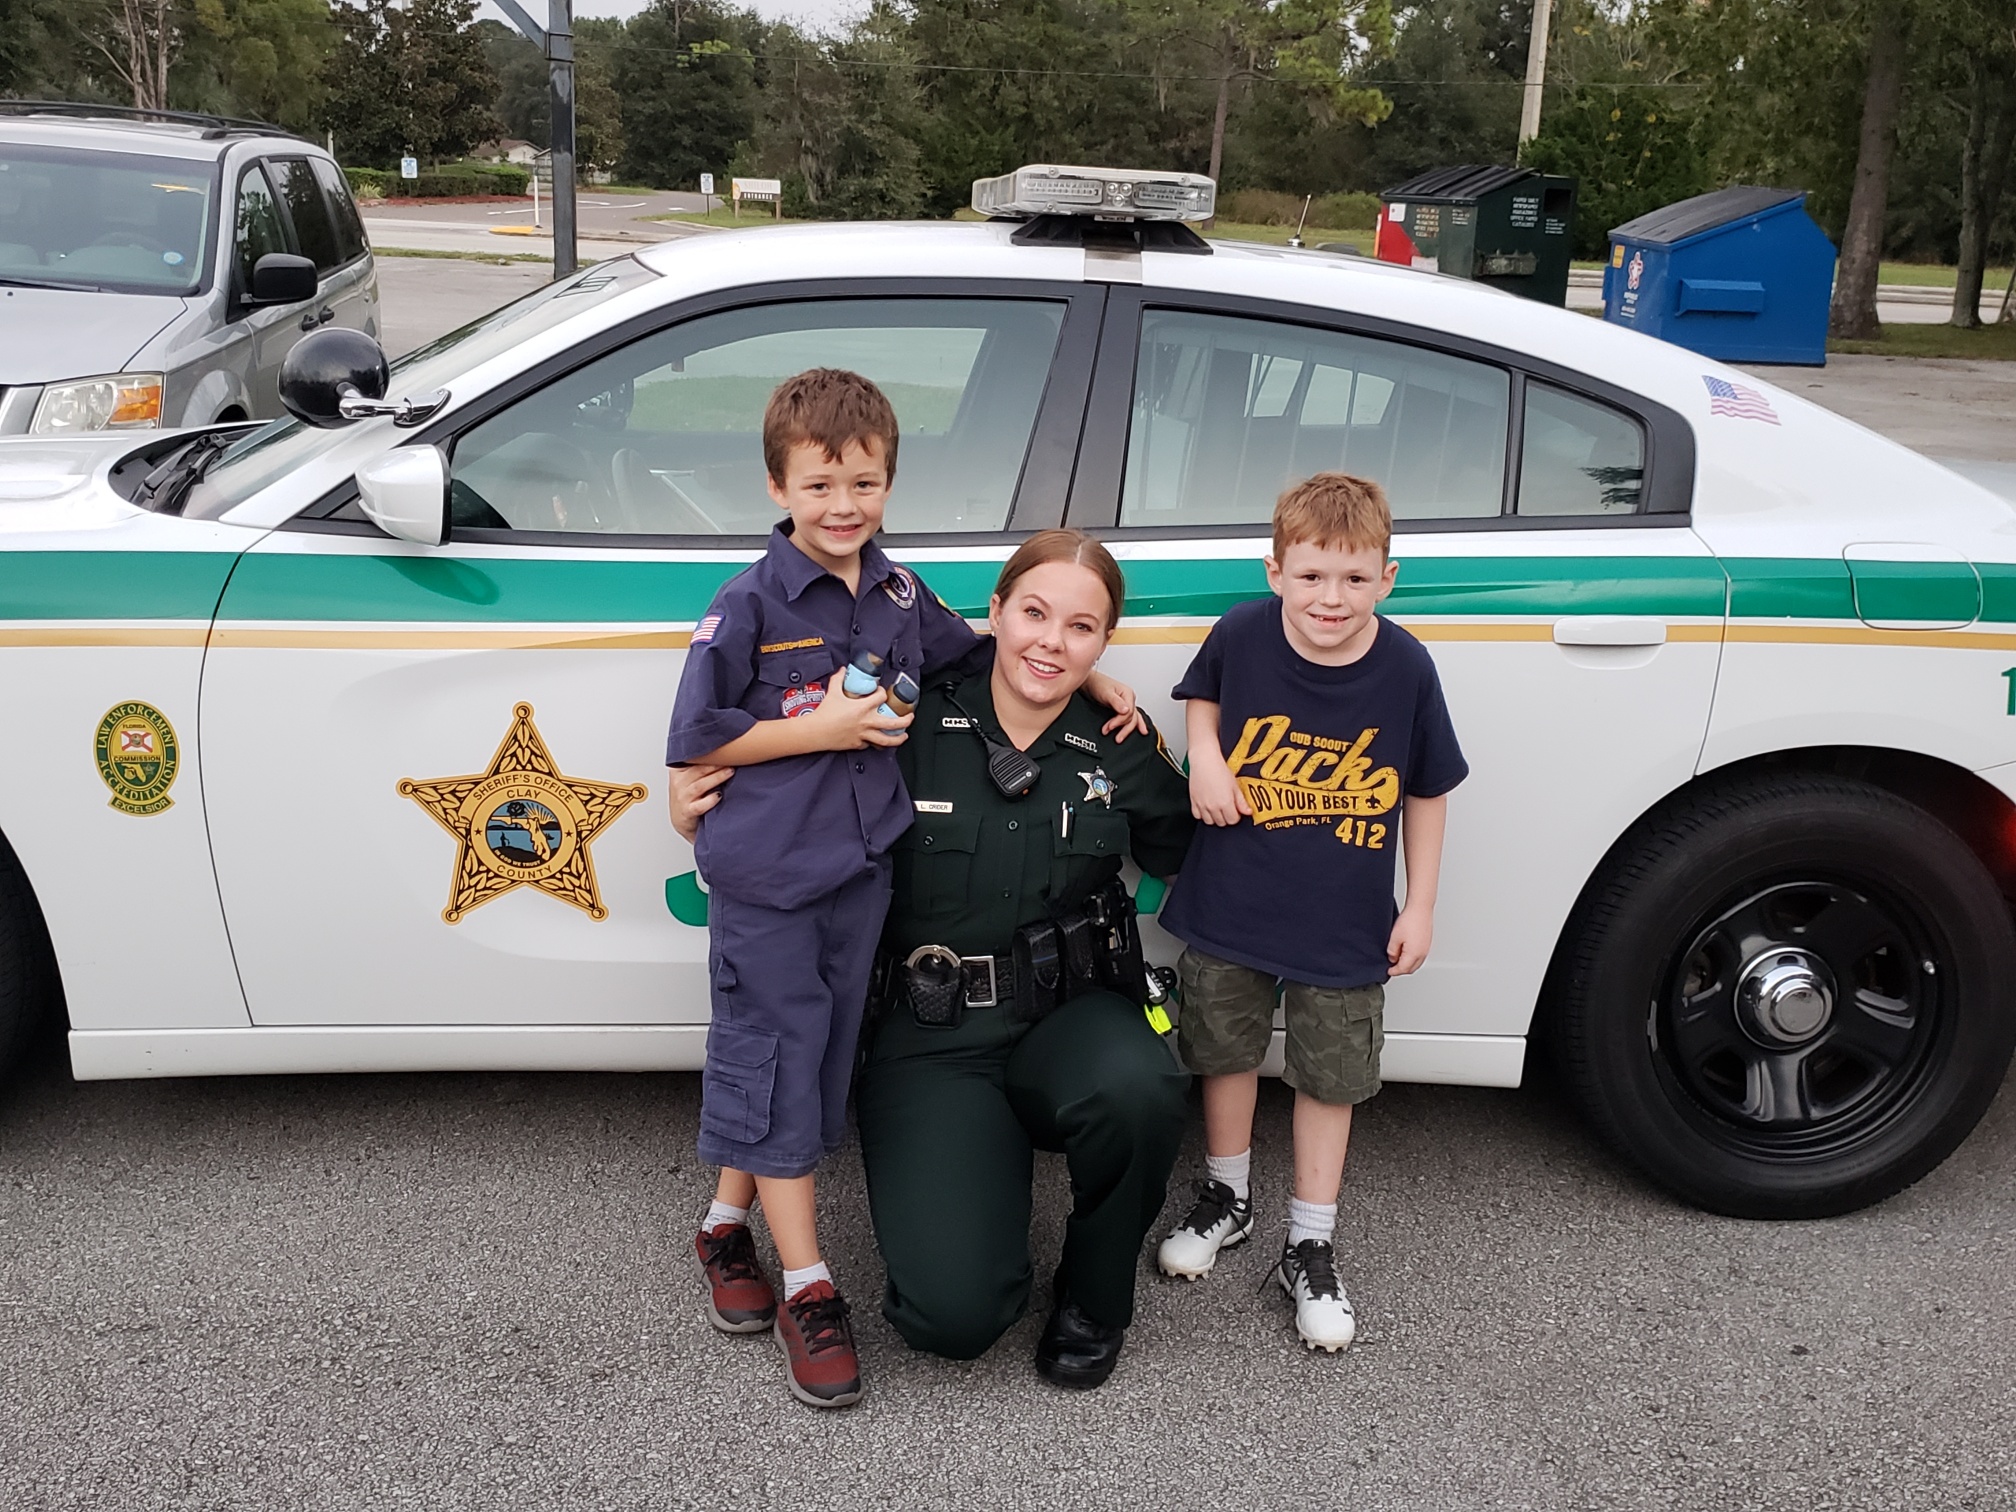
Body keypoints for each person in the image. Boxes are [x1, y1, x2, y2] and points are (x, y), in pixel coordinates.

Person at [664, 376, 1138, 1410]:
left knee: (809, 1069)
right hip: (769, 884)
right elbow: (698, 738)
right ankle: (808, 1286)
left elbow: (979, 657)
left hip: (857, 884)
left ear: (889, 483)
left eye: (865, 481)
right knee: (780, 1062)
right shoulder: (746, 604)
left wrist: (1092, 675)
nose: (843, 503)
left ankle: (720, 1227)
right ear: (778, 484)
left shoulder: (896, 593)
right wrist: (818, 732)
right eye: (820, 482)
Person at [1153, 472, 1467, 1354]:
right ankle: (1228, 1196)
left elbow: (1429, 791)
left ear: (1387, 579)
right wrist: (1206, 757)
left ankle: (1310, 1240)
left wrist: (1424, 904)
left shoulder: (1404, 665)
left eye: (1355, 579)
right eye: (1313, 577)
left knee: (1331, 1075)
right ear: (1276, 571)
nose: (1332, 599)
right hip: (1233, 897)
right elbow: (1202, 694)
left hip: (1345, 917)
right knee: (1223, 1048)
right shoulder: (1243, 632)